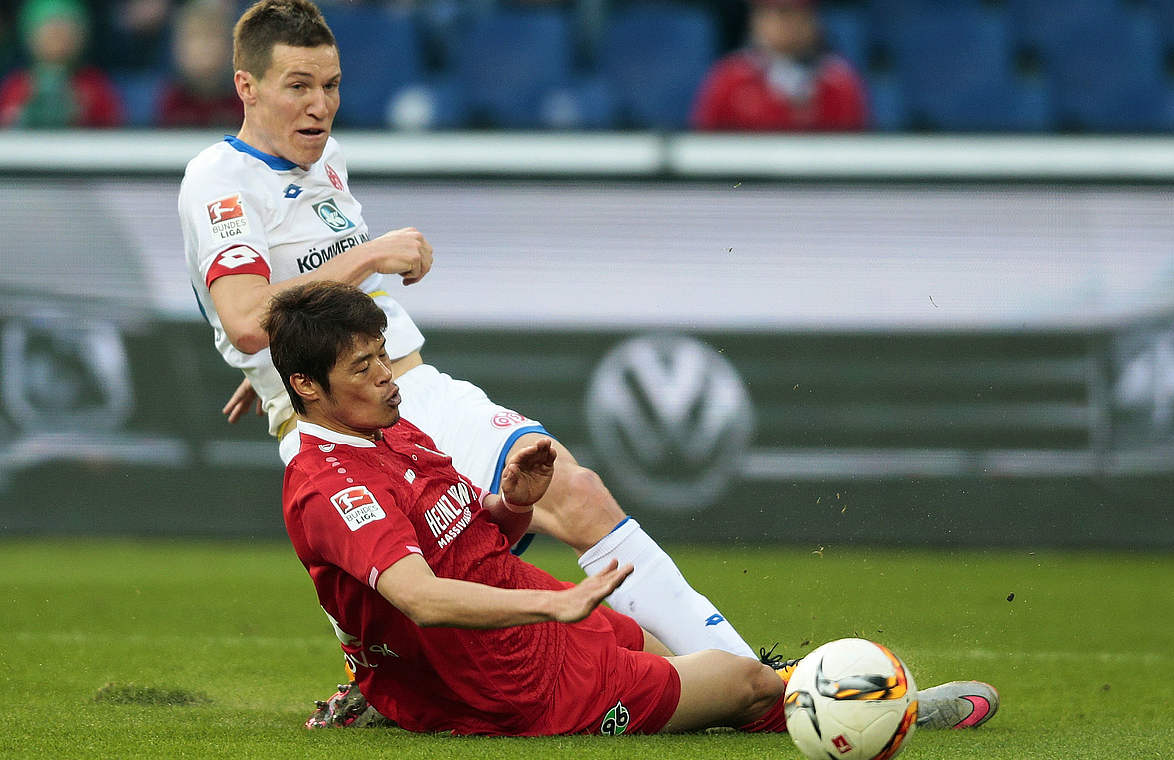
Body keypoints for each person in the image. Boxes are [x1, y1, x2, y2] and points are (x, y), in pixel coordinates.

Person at [179, 0, 758, 724]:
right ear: (247, 87)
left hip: (404, 388)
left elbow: (273, 303)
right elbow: (244, 314)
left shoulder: (322, 158)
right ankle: (764, 684)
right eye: (298, 85)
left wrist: (258, 366)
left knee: (571, 492)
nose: (320, 104)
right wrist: (368, 257)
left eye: (330, 84)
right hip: (352, 420)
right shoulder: (218, 180)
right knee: (443, 572)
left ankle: (744, 672)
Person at [268, 280, 999, 736]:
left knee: (690, 660)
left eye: (383, 357)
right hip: (510, 681)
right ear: (306, 387)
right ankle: (873, 710)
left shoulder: (390, 425)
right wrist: (554, 611)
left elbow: (467, 533)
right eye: (363, 369)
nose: (389, 380)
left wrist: (514, 506)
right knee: (738, 683)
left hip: (526, 621)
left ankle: (822, 701)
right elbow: (421, 598)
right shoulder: (332, 486)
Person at [691, 0, 868, 131]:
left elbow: (855, 153)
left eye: (797, 14)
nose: (787, 26)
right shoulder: (729, 78)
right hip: (744, 180)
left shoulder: (840, 82)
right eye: (775, 14)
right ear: (756, 20)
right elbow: (703, 147)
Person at [0, 0, 121, 128]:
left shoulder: (95, 86)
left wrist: (85, 111)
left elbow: (114, 129)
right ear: (29, 36)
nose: (58, 40)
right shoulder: (17, 86)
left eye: (66, 31)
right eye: (50, 32)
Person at [155, 0, 242, 128]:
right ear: (176, 47)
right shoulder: (166, 100)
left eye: (212, 36)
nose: (203, 47)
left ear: (232, 46)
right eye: (194, 37)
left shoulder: (246, 101)